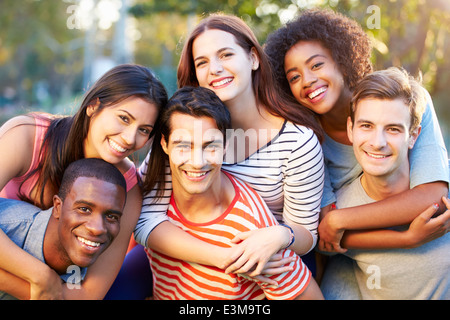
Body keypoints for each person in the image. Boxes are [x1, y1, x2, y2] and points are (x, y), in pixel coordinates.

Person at [129, 13, 325, 292]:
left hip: (268, 261)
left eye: (226, 55)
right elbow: (147, 218)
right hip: (181, 249)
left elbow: (306, 235)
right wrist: (224, 258)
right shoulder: (185, 130)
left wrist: (279, 235)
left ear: (254, 58)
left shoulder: (297, 142)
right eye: (203, 62)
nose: (215, 69)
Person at [264, 9, 449, 254]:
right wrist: (406, 238)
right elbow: (324, 235)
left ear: (342, 60)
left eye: (317, 65)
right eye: (294, 77)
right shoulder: (306, 141)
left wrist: (340, 219)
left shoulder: (404, 101)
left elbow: (433, 196)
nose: (307, 80)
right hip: (349, 265)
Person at [0, 63, 168, 299]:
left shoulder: (128, 190)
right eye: (123, 118)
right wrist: (38, 275)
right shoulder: (27, 136)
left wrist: (46, 286)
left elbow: (90, 293)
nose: (130, 138)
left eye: (144, 130)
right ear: (93, 105)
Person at [146, 85, 323, 299]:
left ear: (226, 145)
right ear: (164, 144)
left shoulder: (250, 230)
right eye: (183, 146)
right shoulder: (156, 192)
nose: (197, 162)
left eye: (210, 146)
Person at [319, 68, 450, 299]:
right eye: (366, 126)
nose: (377, 143)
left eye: (393, 129)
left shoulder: (442, 189)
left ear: (413, 136)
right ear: (351, 129)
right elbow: (320, 246)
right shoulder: (339, 215)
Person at [0, 158, 128, 300]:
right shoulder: (7, 225)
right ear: (58, 207)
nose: (98, 228)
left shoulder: (90, 269)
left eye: (111, 216)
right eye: (84, 209)